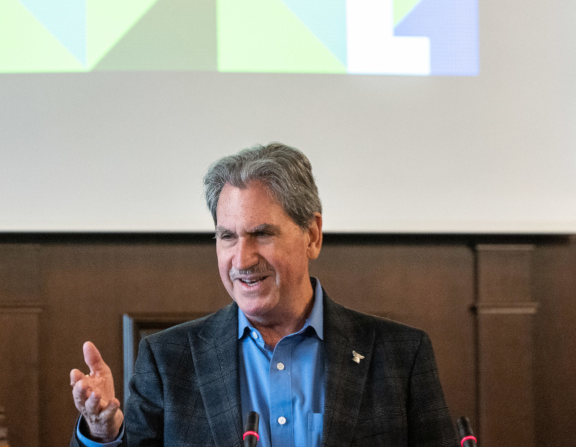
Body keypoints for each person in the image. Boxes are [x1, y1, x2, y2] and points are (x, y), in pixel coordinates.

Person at [69, 142, 455, 447]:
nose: (242, 259)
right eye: (227, 236)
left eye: (262, 234)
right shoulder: (169, 360)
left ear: (312, 235)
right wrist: (103, 433)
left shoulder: (401, 355)